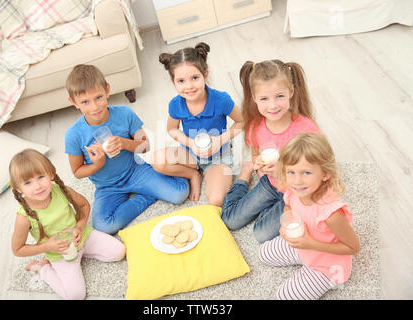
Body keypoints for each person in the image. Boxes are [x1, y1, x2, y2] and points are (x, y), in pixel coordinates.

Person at [64, 64, 189, 235]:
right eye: (85, 102)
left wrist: (124, 143)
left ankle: (172, 170)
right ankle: (146, 196)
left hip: (135, 171)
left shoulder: (124, 113)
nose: (94, 107)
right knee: (103, 226)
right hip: (107, 187)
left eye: (98, 97)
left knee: (179, 194)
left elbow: (145, 146)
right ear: (73, 102)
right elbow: (77, 172)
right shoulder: (73, 134)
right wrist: (97, 164)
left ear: (107, 90)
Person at [221, 59, 320, 242]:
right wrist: (258, 164)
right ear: (254, 98)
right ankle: (244, 175)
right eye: (264, 99)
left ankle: (280, 206)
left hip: (298, 189)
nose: (273, 105)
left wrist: (283, 169)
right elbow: (256, 153)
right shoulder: (256, 127)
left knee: (261, 234)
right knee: (230, 220)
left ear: (291, 92)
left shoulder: (305, 128)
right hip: (271, 183)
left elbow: (317, 167)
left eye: (279, 96)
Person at [10, 149, 126, 300]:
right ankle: (43, 268)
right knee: (76, 296)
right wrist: (47, 247)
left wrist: (79, 226)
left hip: (82, 237)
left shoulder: (63, 191)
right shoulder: (23, 217)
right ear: (19, 189)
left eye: (40, 177)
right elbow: (17, 249)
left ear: (51, 174)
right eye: (28, 182)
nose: (37, 186)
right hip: (59, 254)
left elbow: (84, 205)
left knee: (119, 251)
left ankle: (83, 254)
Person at [259, 133, 360, 300]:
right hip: (304, 245)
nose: (297, 181)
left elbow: (353, 248)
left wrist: (311, 244)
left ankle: (312, 269)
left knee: (284, 297)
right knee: (264, 253)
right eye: (291, 172)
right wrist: (286, 223)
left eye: (306, 173)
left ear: (325, 174)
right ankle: (303, 257)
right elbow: (289, 206)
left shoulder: (331, 213)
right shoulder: (295, 190)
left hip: (327, 266)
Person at [152, 42, 244, 206]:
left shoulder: (221, 99)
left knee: (216, 199)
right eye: (181, 81)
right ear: (174, 82)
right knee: (157, 161)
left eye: (194, 78)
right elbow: (171, 129)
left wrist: (219, 141)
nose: (188, 86)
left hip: (218, 155)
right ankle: (193, 175)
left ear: (205, 75)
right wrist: (190, 144)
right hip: (191, 153)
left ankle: (210, 174)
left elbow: (241, 121)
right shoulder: (175, 104)